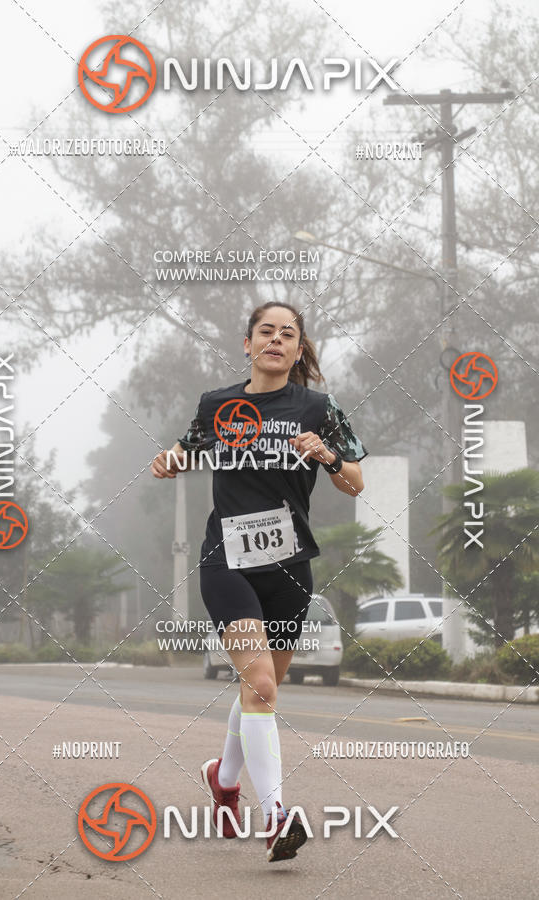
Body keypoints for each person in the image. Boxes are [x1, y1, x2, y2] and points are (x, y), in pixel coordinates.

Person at [150, 301, 368, 862]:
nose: (275, 340)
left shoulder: (319, 408)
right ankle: (275, 817)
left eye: (287, 333)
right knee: (263, 686)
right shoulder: (218, 404)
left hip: (290, 568)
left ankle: (223, 779)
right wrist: (170, 459)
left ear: (299, 349)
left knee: (259, 689)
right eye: (265, 331)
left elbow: (356, 484)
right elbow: (188, 446)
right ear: (246, 343)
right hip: (228, 560)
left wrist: (326, 455)